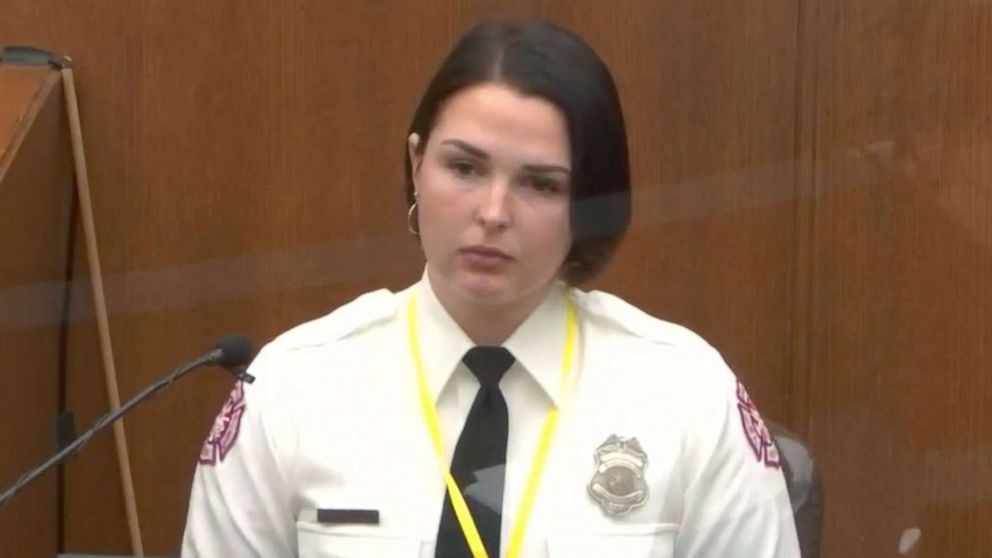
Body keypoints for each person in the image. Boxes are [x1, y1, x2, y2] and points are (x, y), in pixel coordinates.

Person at [181, 19, 800, 558]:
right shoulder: (295, 389)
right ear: (416, 164)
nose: (494, 211)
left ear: (588, 203)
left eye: (540, 184)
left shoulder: (683, 394)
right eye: (465, 168)